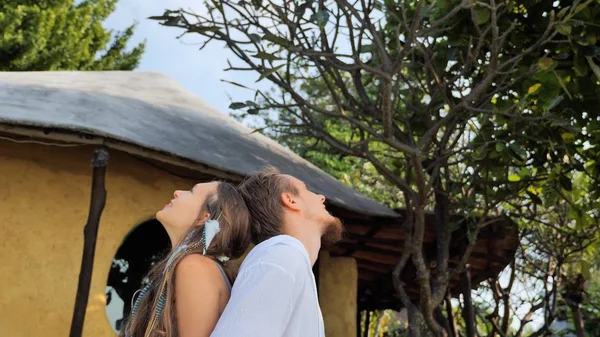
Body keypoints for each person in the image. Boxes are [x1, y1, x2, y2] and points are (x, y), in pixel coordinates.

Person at [210, 166, 344, 337]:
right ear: (291, 200)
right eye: (307, 190)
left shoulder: (287, 259)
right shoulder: (281, 257)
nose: (321, 197)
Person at [120, 181, 251, 337]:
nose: (177, 192)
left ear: (204, 217)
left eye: (191, 191)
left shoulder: (195, 266)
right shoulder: (195, 265)